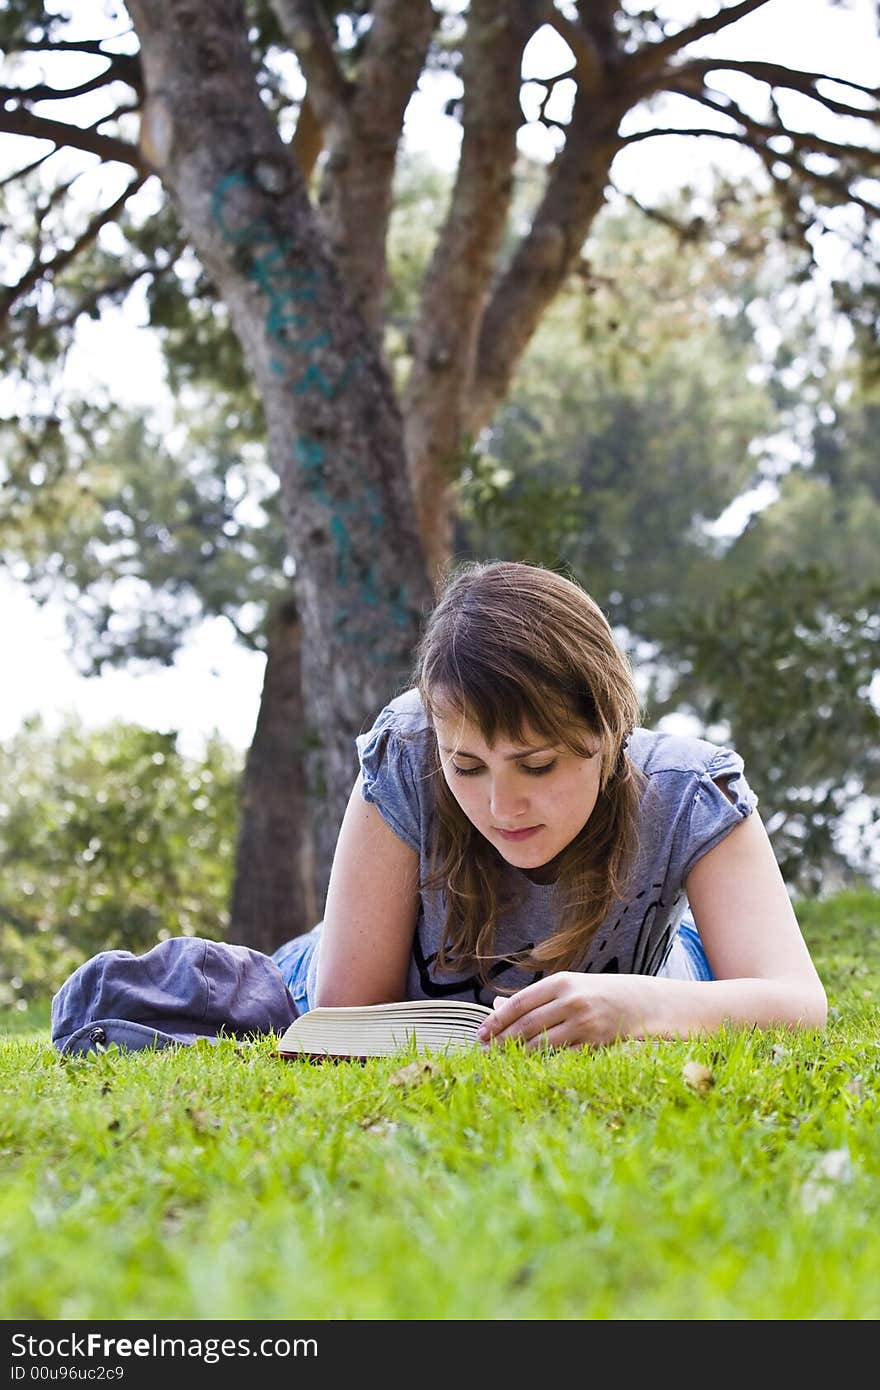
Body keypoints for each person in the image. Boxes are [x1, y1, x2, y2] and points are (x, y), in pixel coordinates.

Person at [272, 559, 827, 1049]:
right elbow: (344, 1016)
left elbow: (797, 1002)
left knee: (702, 957)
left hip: (671, 961)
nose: (501, 807)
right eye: (466, 767)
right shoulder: (408, 749)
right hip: (314, 960)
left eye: (536, 765)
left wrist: (631, 1008)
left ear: (611, 733)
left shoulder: (690, 790)